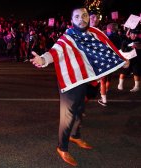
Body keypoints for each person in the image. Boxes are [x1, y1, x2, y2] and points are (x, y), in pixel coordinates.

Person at [30, 6, 128, 166]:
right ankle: (62, 148)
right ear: (71, 20)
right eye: (77, 16)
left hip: (87, 80)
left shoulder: (95, 33)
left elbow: (108, 47)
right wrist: (42, 59)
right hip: (71, 82)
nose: (81, 19)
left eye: (84, 15)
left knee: (80, 110)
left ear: (88, 18)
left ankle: (75, 136)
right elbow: (55, 51)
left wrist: (122, 59)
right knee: (67, 117)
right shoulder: (67, 37)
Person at [98, 23, 123, 106]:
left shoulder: (108, 37)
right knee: (109, 78)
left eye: (107, 29)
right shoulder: (119, 37)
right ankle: (106, 90)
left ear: (110, 29)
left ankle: (104, 99)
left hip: (106, 59)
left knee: (102, 80)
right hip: (114, 60)